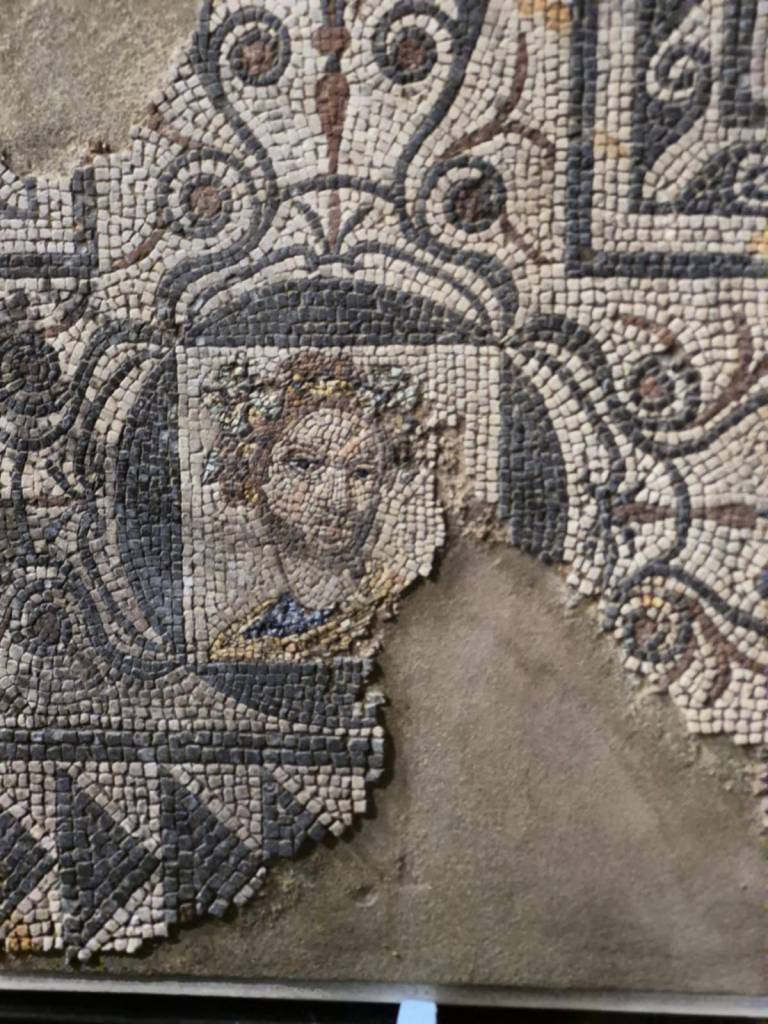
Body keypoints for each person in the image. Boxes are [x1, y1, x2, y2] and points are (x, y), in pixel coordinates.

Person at [201, 351, 429, 661]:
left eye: (362, 472)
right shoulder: (246, 639)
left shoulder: (408, 607)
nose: (337, 499)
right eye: (304, 464)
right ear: (254, 476)